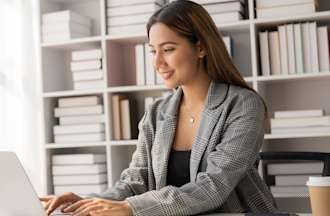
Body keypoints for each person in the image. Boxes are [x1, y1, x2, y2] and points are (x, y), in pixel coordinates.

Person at [41, 1, 277, 215]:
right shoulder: (156, 113)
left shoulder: (243, 105)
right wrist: (89, 202)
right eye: (153, 51)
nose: (157, 63)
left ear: (201, 48)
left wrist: (131, 208)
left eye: (168, 49)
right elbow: (136, 182)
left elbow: (214, 186)